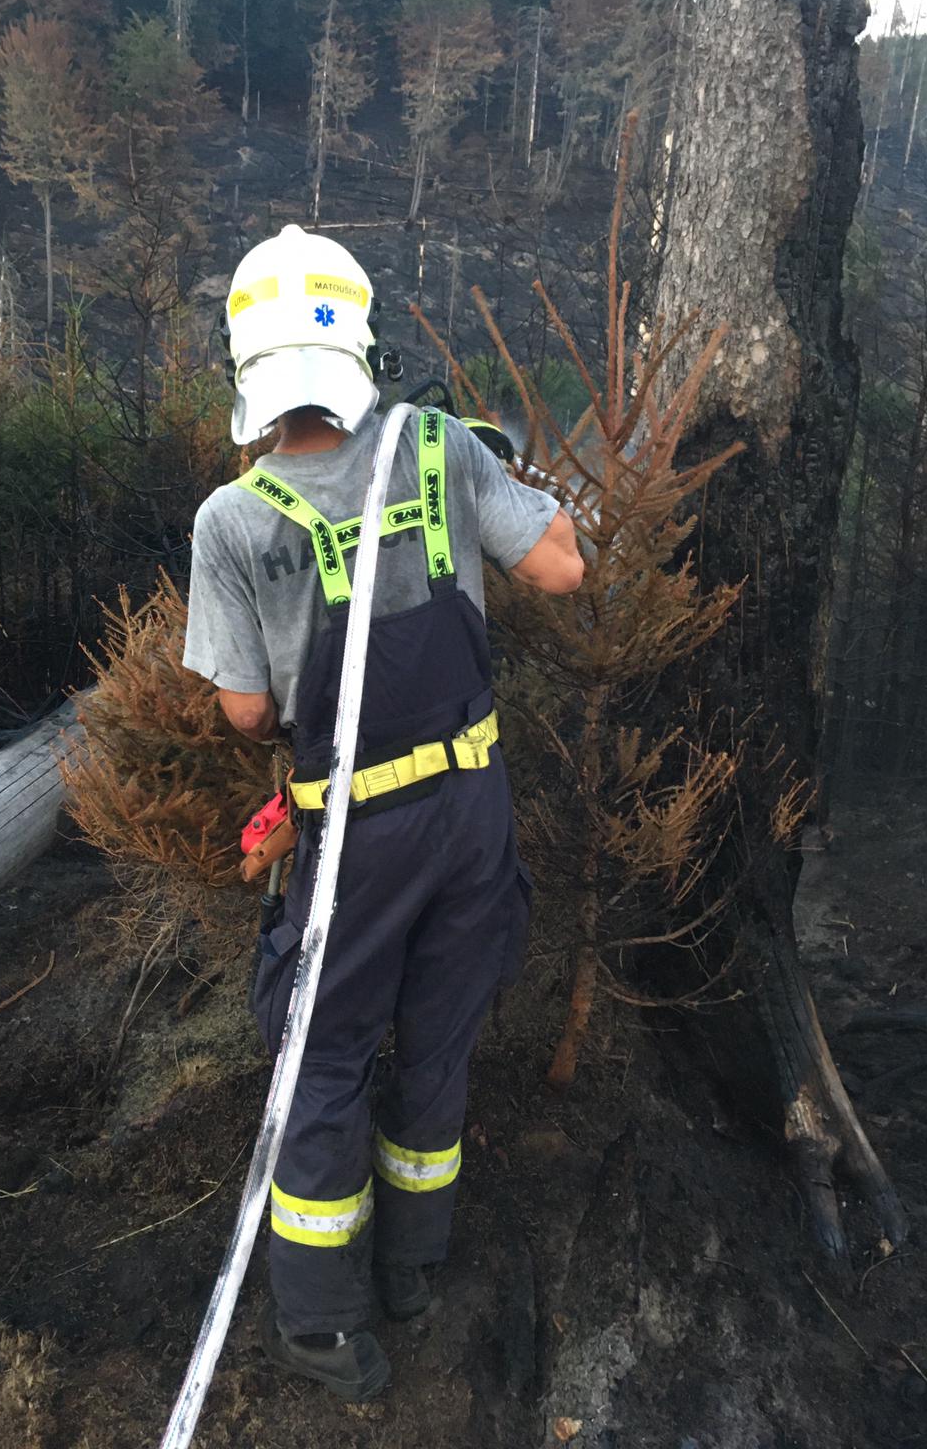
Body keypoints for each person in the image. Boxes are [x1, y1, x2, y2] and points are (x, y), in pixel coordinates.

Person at [183, 224, 583, 1403]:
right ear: (362, 340)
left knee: (325, 1059)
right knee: (439, 1037)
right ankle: (416, 1267)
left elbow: (249, 715)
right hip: (473, 810)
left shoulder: (233, 521)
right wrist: (507, 476)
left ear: (247, 368)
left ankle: (324, 1325)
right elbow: (561, 568)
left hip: (354, 842)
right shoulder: (444, 446)